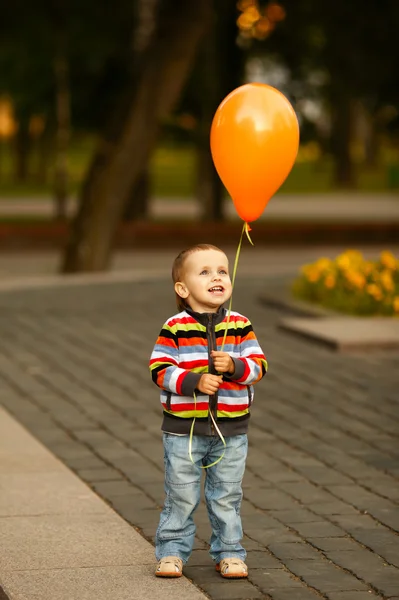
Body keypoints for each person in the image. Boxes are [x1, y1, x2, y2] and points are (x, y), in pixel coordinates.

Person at [149, 243, 267, 579]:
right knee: (181, 494)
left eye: (222, 271)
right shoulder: (174, 327)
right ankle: (171, 551)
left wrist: (233, 365)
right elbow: (159, 369)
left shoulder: (240, 325)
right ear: (182, 289)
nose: (217, 277)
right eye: (205, 272)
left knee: (226, 494)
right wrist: (194, 382)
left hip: (231, 430)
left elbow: (259, 366)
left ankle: (229, 552)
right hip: (183, 430)